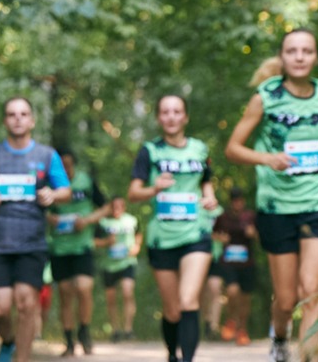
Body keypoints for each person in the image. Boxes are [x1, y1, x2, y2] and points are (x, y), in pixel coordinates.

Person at [224, 29, 318, 362]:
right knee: (285, 300)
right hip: (277, 207)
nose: (299, 57)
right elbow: (233, 148)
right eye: (292, 51)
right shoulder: (265, 97)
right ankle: (279, 338)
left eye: (306, 51)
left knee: (312, 293)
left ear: (314, 57)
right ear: (282, 57)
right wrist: (268, 158)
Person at [0, 97, 72, 362]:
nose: (18, 118)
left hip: (32, 243)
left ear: (32, 120)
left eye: (23, 114)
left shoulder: (47, 156)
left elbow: (66, 191)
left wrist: (52, 195)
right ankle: (8, 341)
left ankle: (21, 359)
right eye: (12, 114)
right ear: (5, 121)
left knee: (26, 305)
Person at [128, 95, 218, 362]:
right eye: (165, 112)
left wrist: (210, 197)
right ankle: (171, 353)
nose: (171, 116)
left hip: (195, 234)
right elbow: (133, 193)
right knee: (172, 309)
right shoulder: (150, 151)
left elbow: (206, 183)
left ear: (185, 117)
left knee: (189, 301)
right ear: (158, 118)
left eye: (176, 111)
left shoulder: (200, 149)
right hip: (162, 237)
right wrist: (154, 188)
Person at [46, 149, 109, 357]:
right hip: (59, 247)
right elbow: (37, 208)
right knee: (65, 294)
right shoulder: (49, 183)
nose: (65, 170)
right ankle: (69, 340)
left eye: (69, 166)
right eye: (61, 166)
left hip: (83, 246)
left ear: (74, 165)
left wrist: (88, 220)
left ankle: (85, 330)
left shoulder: (86, 181)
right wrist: (50, 218)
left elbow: (107, 207)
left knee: (83, 288)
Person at [212, 188, 258, 347]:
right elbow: (212, 234)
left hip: (247, 264)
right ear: (231, 202)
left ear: (243, 201)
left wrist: (254, 233)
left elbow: (263, 235)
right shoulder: (223, 217)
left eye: (239, 200)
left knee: (245, 299)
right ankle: (231, 320)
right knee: (232, 291)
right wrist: (220, 237)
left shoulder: (250, 216)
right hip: (229, 263)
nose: (237, 203)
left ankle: (242, 330)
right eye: (234, 200)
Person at [94, 196, 141, 343]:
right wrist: (106, 242)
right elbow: (93, 241)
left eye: (120, 206)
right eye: (114, 206)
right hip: (108, 264)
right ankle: (115, 329)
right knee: (111, 299)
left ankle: (128, 329)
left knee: (128, 292)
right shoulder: (102, 222)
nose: (117, 209)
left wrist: (136, 246)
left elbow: (139, 234)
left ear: (124, 206)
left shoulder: (132, 220)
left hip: (127, 262)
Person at [199, 203, 225, 341]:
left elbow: (226, 233)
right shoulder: (194, 206)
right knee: (200, 293)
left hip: (216, 256)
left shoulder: (220, 211)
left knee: (215, 290)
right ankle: (206, 321)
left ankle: (214, 327)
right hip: (197, 256)